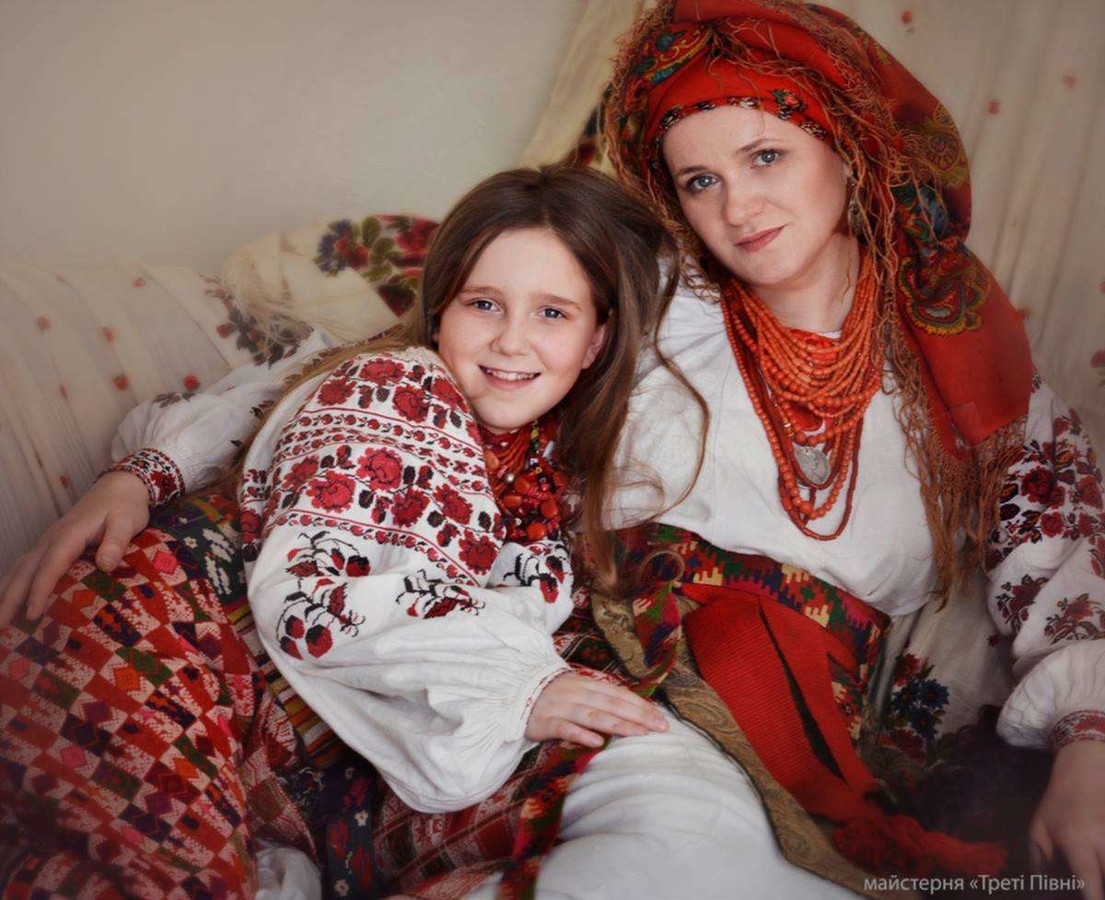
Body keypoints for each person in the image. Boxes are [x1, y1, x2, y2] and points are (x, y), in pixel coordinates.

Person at [4, 2, 1104, 898]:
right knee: (667, 854)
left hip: (775, 708)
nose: (738, 207)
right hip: (547, 646)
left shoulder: (971, 373)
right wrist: (148, 467)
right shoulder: (654, 296)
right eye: (700, 181)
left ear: (847, 148)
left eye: (766, 155)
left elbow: (1060, 557)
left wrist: (1086, 745)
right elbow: (384, 356)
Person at [0, 164, 677, 896]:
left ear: (598, 340)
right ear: (440, 312)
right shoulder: (400, 387)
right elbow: (314, 606)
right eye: (483, 303)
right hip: (146, 632)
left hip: (262, 713)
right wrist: (520, 687)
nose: (511, 341)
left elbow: (269, 399)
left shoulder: (545, 469)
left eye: (552, 313)